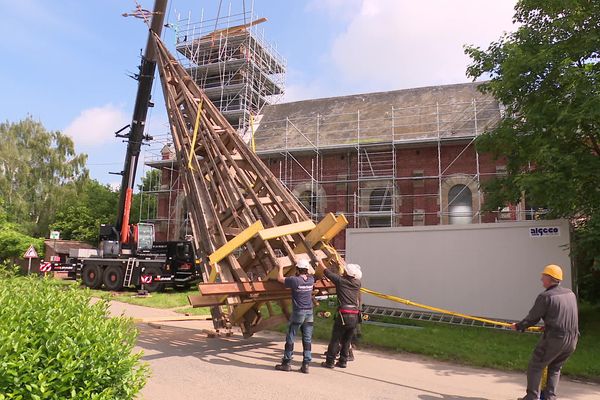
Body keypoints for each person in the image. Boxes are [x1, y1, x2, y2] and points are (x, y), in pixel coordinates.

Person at [511, 264, 579, 400]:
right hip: (572, 339)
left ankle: (532, 397)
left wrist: (518, 326)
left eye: (543, 276)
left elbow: (533, 318)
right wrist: (548, 325)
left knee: (536, 365)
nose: (541, 279)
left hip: (555, 339)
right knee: (555, 367)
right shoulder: (570, 294)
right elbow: (564, 315)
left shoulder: (546, 296)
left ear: (550, 278)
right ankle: (549, 398)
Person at [275, 259, 315, 374]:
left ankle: (286, 363)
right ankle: (306, 365)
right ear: (307, 270)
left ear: (297, 270)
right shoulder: (311, 280)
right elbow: (311, 272)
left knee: (291, 336)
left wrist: (280, 267)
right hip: (309, 313)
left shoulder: (295, 280)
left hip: (299, 312)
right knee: (307, 339)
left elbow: (280, 279)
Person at [321, 261, 362, 369]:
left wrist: (320, 262)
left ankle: (329, 362)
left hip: (344, 314)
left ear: (346, 273)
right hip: (355, 315)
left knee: (335, 339)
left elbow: (327, 272)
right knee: (347, 340)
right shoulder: (357, 283)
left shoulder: (340, 281)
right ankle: (343, 361)